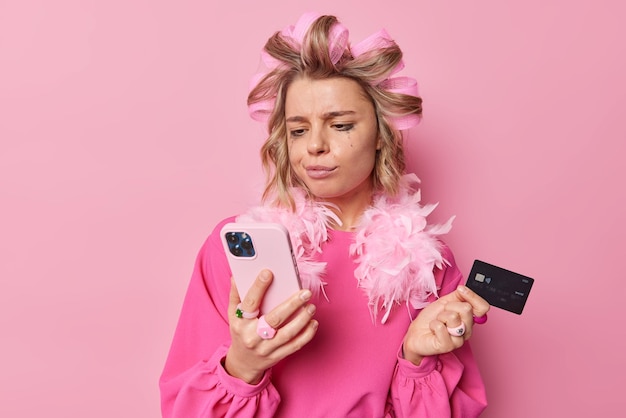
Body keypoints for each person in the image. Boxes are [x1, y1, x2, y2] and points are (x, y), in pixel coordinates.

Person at [160, 12, 490, 418]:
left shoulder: (429, 264)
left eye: (341, 125)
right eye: (298, 129)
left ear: (382, 138)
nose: (314, 145)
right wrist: (243, 367)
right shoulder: (235, 247)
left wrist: (415, 359)